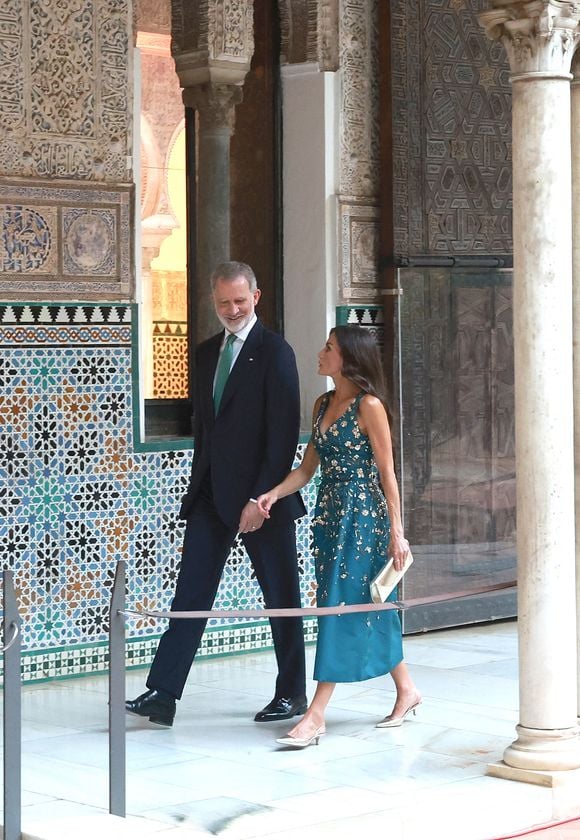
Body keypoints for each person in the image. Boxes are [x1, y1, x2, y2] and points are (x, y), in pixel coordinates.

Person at [126, 261, 307, 727]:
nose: (232, 309)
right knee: (191, 592)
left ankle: (292, 694)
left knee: (280, 596)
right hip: (210, 495)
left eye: (240, 301)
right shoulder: (205, 353)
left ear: (257, 297)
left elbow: (282, 435)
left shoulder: (276, 352)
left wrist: (260, 499)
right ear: (213, 300)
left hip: (262, 500)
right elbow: (207, 431)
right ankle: (163, 693)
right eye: (224, 302)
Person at [256, 325, 421, 748]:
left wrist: (397, 534)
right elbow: (307, 469)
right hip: (331, 519)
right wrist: (273, 493)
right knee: (370, 603)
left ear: (348, 357)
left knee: (337, 605)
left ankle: (316, 714)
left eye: (328, 347)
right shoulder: (323, 403)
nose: (321, 352)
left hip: (364, 520)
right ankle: (407, 690)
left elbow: (388, 473)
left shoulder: (370, 406)